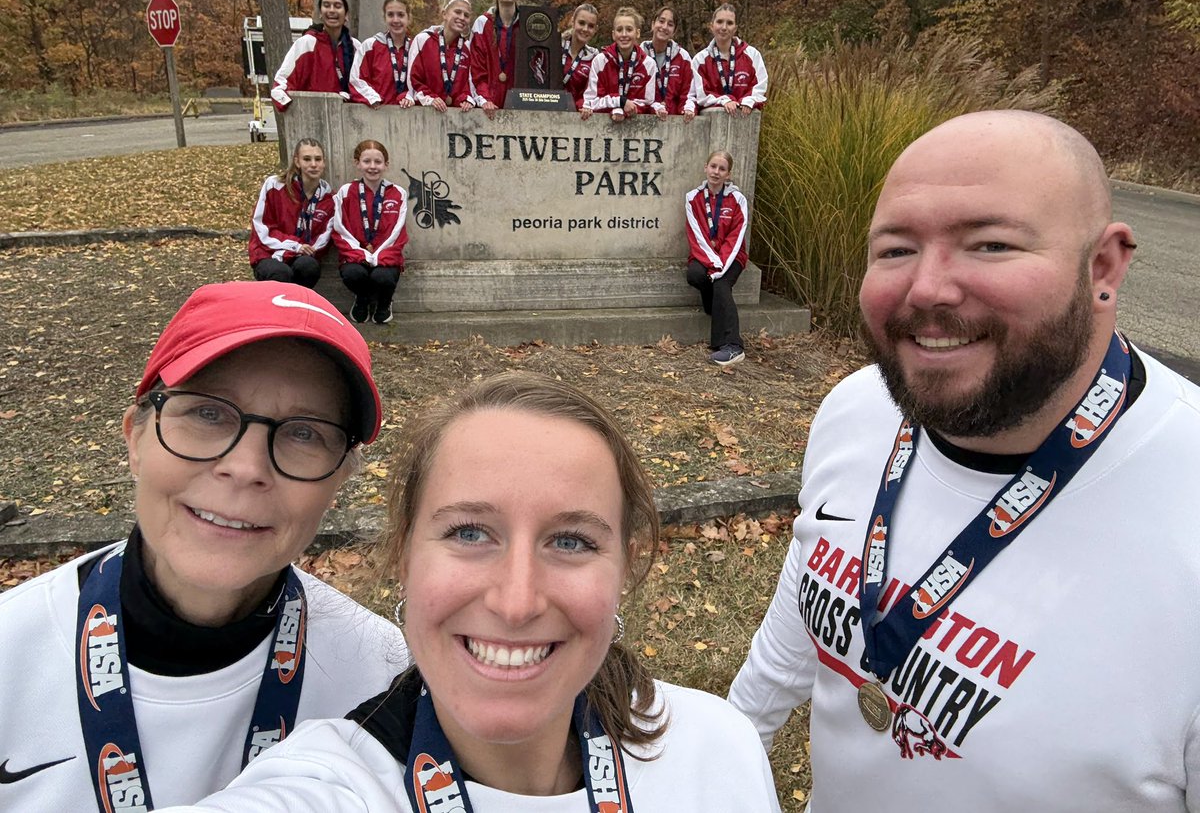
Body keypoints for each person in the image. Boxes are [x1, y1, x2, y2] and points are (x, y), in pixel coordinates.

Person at [728, 111, 1200, 811]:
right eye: (894, 250)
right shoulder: (858, 408)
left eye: (989, 244)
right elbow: (805, 606)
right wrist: (729, 741)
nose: (926, 290)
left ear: (1102, 268)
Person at [150, 372, 782, 812]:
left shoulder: (716, 748)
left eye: (571, 542)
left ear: (626, 567)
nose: (516, 601)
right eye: (470, 531)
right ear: (403, 554)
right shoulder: (327, 787)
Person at [0, 280, 409, 811]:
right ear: (135, 439)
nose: (246, 468)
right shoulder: (11, 655)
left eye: (304, 433)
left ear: (339, 482)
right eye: (209, 413)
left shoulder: (381, 678)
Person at [332, 139, 408, 326]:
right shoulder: (346, 192)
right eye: (367, 161)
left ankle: (384, 302)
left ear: (386, 165)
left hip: (386, 256)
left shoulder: (397, 193)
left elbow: (397, 232)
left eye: (378, 162)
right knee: (352, 274)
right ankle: (363, 298)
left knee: (382, 276)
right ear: (357, 163)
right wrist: (363, 254)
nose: (372, 167)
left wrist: (377, 256)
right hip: (356, 255)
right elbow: (340, 229)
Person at [685, 150, 748, 367]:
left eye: (722, 169)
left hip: (732, 257)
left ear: (728, 174)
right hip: (705, 255)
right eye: (713, 167)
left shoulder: (737, 200)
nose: (716, 172)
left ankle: (733, 346)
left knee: (721, 283)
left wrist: (721, 266)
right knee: (694, 274)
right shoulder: (693, 198)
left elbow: (737, 236)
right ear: (706, 168)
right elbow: (697, 234)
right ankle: (715, 308)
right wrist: (713, 263)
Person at [247, 137, 336, 288]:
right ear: (297, 162)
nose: (313, 164)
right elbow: (262, 227)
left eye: (318, 159)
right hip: (268, 253)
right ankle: (277, 311)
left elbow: (324, 237)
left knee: (308, 267)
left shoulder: (329, 198)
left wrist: (303, 249)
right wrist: (294, 246)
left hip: (302, 255)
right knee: (280, 273)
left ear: (324, 162)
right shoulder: (274, 186)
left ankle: (298, 308)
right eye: (307, 159)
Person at [271, 0, 359, 112]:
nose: (332, 10)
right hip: (315, 121)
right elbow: (279, 88)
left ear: (346, 15)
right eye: (326, 5)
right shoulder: (306, 44)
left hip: (348, 122)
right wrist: (297, 111)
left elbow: (366, 86)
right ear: (320, 13)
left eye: (337, 6)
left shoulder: (356, 47)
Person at [583, 7, 663, 122]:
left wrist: (624, 110)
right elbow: (591, 101)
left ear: (637, 33)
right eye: (619, 30)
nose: (624, 34)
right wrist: (619, 102)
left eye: (629, 29)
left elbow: (647, 102)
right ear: (613, 34)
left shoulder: (648, 64)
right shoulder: (600, 61)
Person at [691, 4, 767, 115]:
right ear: (711, 26)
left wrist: (748, 101)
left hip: (745, 118)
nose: (724, 27)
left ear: (735, 28)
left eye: (730, 23)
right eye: (720, 22)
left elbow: (760, 85)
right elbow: (701, 94)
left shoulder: (752, 54)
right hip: (712, 123)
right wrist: (724, 100)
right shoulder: (700, 60)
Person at [409, 0, 475, 112]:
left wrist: (465, 99)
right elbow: (413, 78)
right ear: (444, 14)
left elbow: (468, 83)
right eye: (457, 12)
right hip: (424, 112)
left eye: (466, 15)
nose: (462, 18)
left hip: (455, 117)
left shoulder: (467, 48)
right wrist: (430, 98)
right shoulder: (423, 40)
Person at [349, 0, 415, 108]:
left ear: (408, 18)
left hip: (409, 117)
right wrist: (373, 98)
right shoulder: (370, 46)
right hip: (376, 114)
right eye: (390, 15)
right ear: (384, 17)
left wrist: (409, 96)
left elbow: (422, 83)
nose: (395, 20)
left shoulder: (415, 49)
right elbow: (356, 80)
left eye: (401, 15)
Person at [469, 0, 521, 113]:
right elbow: (476, 68)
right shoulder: (482, 23)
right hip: (489, 105)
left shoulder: (527, 25)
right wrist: (484, 99)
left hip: (519, 105)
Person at [641, 6, 695, 119]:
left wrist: (686, 110)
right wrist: (654, 107)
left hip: (673, 122)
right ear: (652, 24)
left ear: (674, 31)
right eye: (661, 21)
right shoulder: (638, 56)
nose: (664, 27)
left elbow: (688, 92)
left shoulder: (683, 57)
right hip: (643, 120)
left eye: (670, 24)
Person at [561, 3, 599, 114]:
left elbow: (591, 92)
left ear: (596, 29)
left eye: (591, 26)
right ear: (573, 22)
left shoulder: (595, 59)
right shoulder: (554, 48)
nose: (585, 29)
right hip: (547, 110)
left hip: (576, 116)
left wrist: (585, 106)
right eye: (581, 23)